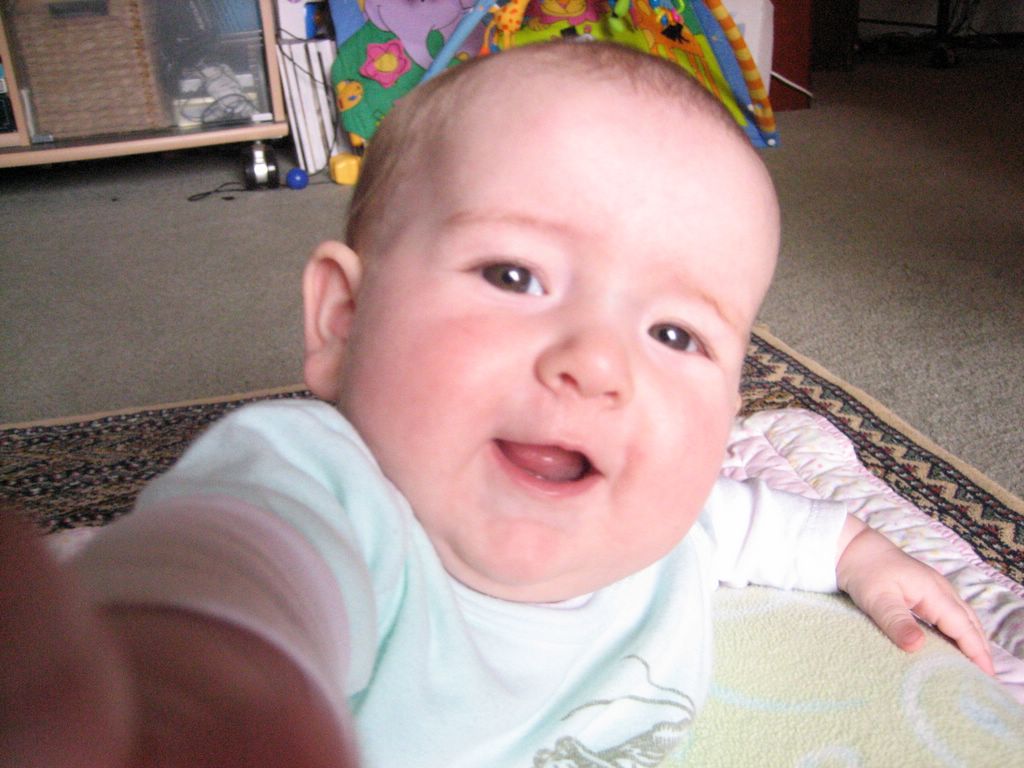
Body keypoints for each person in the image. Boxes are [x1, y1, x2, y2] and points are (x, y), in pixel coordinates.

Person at [0, 41, 993, 768]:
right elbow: (236, 572)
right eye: (515, 276)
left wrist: (861, 554)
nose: (596, 364)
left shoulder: (656, 523)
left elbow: (750, 523)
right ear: (344, 320)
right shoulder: (324, 492)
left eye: (675, 334)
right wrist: (175, 691)